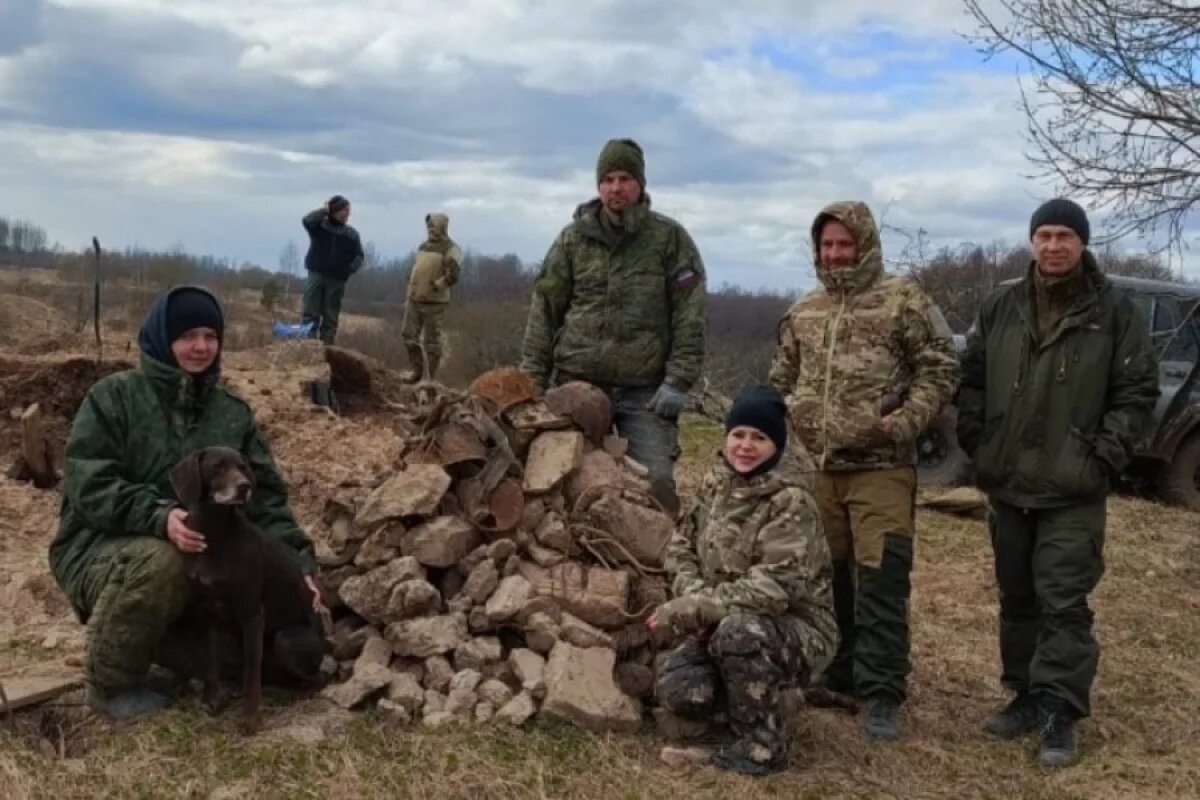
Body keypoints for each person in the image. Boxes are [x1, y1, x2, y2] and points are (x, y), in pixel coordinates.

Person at [49, 286, 324, 720]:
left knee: (250, 656)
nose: (201, 347)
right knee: (164, 562)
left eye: (211, 336)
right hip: (99, 544)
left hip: (203, 558)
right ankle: (111, 685)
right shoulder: (113, 399)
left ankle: (155, 640)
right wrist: (159, 517)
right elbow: (89, 482)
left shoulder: (231, 413)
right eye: (188, 336)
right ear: (163, 339)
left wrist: (300, 565)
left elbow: (267, 501)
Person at [957, 198, 1158, 767]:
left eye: (1064, 236)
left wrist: (1103, 455)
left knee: (1064, 599)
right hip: (1009, 481)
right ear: (1031, 242)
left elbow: (1136, 391)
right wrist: (979, 439)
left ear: (1082, 243)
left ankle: (1060, 710)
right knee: (1017, 597)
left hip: (1073, 488)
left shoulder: (1113, 312)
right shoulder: (1001, 305)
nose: (1052, 246)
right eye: (1043, 235)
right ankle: (1025, 693)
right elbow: (970, 378)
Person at [768, 201, 959, 741]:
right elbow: (781, 378)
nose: (835, 254)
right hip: (820, 470)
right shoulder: (804, 310)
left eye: (844, 244)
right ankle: (840, 671)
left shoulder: (904, 301)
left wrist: (905, 423)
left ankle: (882, 691)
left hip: (881, 468)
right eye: (827, 245)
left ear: (865, 244)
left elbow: (941, 368)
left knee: (880, 578)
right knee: (828, 578)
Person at [650, 385, 835, 776]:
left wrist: (699, 608)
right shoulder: (715, 484)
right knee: (679, 687)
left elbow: (775, 589)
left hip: (796, 629)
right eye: (738, 434)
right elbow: (680, 547)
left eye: (759, 437)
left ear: (777, 445)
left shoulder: (791, 502)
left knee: (739, 634)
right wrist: (696, 597)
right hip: (721, 615)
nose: (745, 446)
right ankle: (761, 701)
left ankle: (761, 748)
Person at [520, 138, 706, 514]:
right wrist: (532, 381)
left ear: (640, 183)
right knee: (557, 481)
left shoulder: (670, 240)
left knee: (656, 486)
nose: (615, 188)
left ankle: (659, 566)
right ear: (598, 185)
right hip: (577, 383)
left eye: (624, 178)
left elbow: (691, 314)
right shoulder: (573, 241)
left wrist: (678, 380)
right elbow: (544, 310)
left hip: (645, 392)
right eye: (607, 179)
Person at [400, 212, 462, 382]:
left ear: (442, 227)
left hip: (434, 302)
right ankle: (415, 371)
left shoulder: (450, 248)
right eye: (428, 226)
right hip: (415, 298)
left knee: (432, 342)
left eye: (433, 226)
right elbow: (415, 272)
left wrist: (438, 285)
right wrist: (408, 295)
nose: (430, 230)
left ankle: (430, 378)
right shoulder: (423, 247)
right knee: (408, 335)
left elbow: (454, 274)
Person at [301, 195, 365, 344]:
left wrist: (349, 269)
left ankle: (326, 350)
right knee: (310, 314)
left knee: (331, 318)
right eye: (346, 210)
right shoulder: (319, 226)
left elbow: (359, 255)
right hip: (316, 275)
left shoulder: (352, 234)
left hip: (337, 281)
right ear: (335, 210)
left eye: (349, 210)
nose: (348, 214)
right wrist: (325, 209)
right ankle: (307, 348)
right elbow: (307, 220)